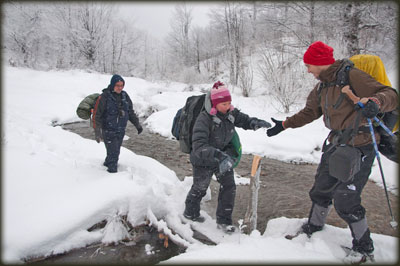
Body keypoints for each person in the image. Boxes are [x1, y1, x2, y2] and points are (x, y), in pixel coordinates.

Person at [267, 41, 398, 259]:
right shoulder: (322, 87)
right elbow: (310, 112)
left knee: (346, 198)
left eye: (309, 65)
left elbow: (391, 95)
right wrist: (284, 124)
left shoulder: (352, 76)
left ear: (320, 63)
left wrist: (376, 101)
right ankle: (314, 227)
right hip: (337, 143)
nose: (307, 70)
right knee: (321, 188)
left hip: (361, 144)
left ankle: (364, 249)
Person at [183, 81, 272, 233]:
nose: (227, 106)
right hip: (203, 160)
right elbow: (199, 147)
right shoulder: (203, 120)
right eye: (224, 103)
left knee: (229, 187)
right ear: (215, 104)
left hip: (223, 157)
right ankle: (190, 213)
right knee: (200, 188)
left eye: (229, 102)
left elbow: (244, 120)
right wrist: (219, 156)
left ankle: (224, 221)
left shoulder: (231, 113)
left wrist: (254, 123)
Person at [93, 74, 143, 173]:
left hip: (120, 130)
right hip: (108, 130)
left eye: (121, 85)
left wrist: (137, 125)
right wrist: (97, 132)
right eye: (117, 85)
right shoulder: (104, 97)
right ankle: (112, 176)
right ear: (112, 85)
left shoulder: (125, 96)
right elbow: (97, 115)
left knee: (115, 152)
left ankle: (107, 164)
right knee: (114, 154)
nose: (120, 88)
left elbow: (130, 112)